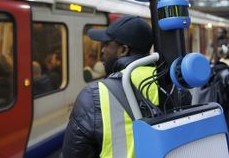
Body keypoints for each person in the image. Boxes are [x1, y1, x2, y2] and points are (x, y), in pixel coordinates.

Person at [61, 15, 157, 158]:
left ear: (123, 50)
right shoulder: (169, 83)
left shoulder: (95, 94)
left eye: (107, 45)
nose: (102, 51)